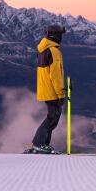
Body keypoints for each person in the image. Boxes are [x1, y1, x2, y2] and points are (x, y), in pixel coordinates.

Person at [29, 24, 67, 154]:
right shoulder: (54, 51)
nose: (61, 37)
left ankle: (43, 144)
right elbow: (56, 76)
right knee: (52, 117)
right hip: (52, 91)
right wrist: (60, 94)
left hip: (45, 89)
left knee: (53, 117)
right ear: (55, 35)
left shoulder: (43, 50)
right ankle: (39, 144)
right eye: (60, 34)